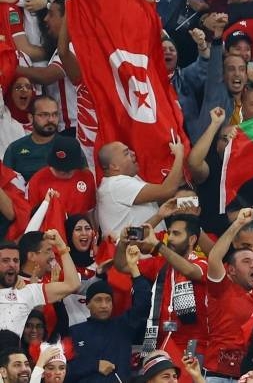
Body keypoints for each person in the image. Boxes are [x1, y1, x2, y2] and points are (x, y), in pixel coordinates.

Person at [67, 248, 152, 383]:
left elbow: (144, 303)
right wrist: (94, 365)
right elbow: (63, 370)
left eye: (108, 300)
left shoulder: (123, 326)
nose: (104, 305)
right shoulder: (75, 332)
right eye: (98, 300)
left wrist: (133, 269)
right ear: (87, 303)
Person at [205, 208, 253, 383]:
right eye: (246, 262)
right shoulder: (222, 288)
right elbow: (214, 258)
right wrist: (238, 223)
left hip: (248, 375)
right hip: (218, 375)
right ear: (231, 270)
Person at [94, 136, 186, 235]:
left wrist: (187, 202)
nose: (133, 153)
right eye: (126, 153)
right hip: (131, 249)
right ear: (114, 166)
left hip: (147, 246)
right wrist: (179, 154)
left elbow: (159, 200)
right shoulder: (115, 185)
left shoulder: (129, 179)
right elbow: (167, 190)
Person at [0, 233, 80, 334]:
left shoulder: (45, 282)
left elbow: (73, 284)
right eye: (48, 251)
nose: (53, 255)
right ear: (32, 256)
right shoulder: (16, 286)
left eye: (15, 260)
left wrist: (62, 247)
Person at [3, 95, 58, 181]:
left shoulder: (70, 146)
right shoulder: (14, 149)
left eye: (54, 114)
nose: (51, 119)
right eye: (44, 115)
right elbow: (7, 185)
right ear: (31, 118)